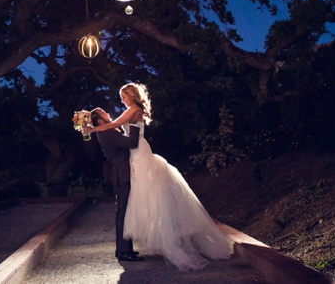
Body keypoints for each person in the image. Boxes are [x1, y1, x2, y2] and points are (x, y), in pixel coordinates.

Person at [83, 83, 232, 271]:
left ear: (130, 95)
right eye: (121, 96)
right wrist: (93, 129)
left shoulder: (132, 110)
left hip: (139, 154)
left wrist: (93, 129)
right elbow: (121, 132)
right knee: (144, 200)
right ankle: (125, 249)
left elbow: (118, 128)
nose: (121, 100)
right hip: (135, 155)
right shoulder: (123, 118)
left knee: (151, 197)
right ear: (99, 121)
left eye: (123, 96)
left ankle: (131, 248)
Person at [88, 108, 144, 262]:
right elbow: (132, 143)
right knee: (124, 213)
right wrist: (133, 124)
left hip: (121, 173)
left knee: (124, 212)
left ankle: (124, 250)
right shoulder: (107, 133)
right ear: (99, 121)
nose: (107, 114)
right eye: (104, 113)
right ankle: (124, 252)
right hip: (122, 174)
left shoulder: (105, 132)